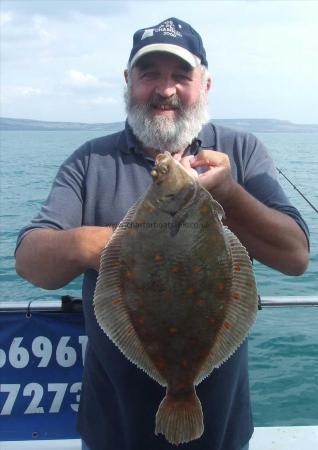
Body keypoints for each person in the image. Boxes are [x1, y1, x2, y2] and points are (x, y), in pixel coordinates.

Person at [15, 17, 309, 450]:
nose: (165, 88)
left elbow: (296, 256)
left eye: (181, 75)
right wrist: (113, 245)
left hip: (223, 429)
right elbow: (29, 260)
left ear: (205, 85)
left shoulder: (241, 152)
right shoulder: (90, 161)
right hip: (112, 428)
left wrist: (229, 191)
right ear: (128, 81)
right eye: (149, 73)